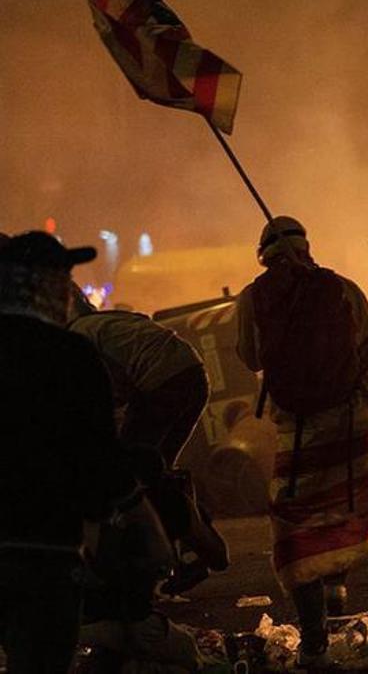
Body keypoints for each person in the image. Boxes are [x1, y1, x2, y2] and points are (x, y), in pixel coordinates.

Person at [0, 231, 168, 672]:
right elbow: (99, 458)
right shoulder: (68, 354)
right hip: (44, 550)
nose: (66, 292)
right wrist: (140, 518)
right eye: (59, 280)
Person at [236, 216, 368, 663]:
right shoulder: (343, 289)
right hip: (351, 422)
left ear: (263, 255)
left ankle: (314, 641)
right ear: (307, 246)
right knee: (346, 505)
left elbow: (250, 356)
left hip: (298, 431)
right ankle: (337, 584)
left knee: (295, 526)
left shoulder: (253, 298)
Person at [68, 292, 228, 594]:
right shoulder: (106, 320)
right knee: (158, 467)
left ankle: (186, 540)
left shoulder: (80, 337)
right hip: (192, 374)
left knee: (133, 470)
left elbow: (104, 394)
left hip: (161, 381)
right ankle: (189, 551)